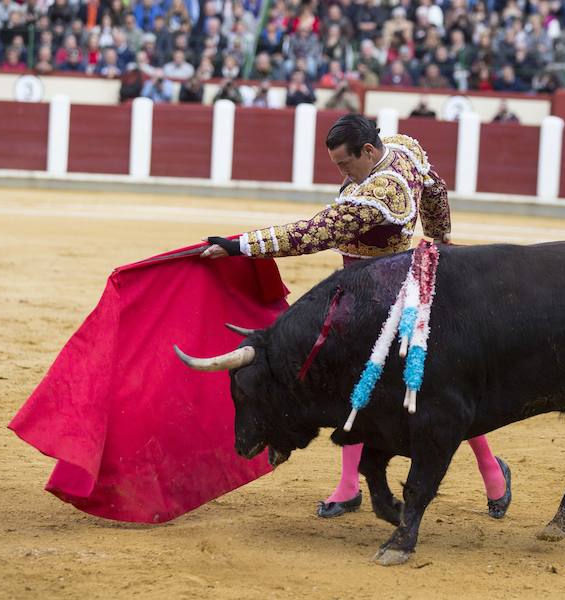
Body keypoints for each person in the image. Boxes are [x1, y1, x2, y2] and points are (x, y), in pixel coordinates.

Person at [201, 114, 513, 520]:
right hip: (389, 284)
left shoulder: (380, 194)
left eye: (345, 164)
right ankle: (351, 486)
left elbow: (312, 233)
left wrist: (240, 245)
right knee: (368, 381)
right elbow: (435, 188)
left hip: (379, 295)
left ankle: (490, 470)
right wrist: (441, 237)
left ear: (368, 151)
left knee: (432, 382)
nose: (342, 172)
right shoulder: (403, 147)